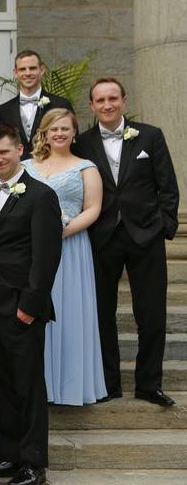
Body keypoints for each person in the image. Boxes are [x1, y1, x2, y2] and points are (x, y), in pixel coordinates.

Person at [73, 78, 180, 406]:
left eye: (112, 98)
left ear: (123, 100)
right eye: (100, 100)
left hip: (146, 235)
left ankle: (150, 384)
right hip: (102, 236)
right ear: (91, 105)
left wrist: (164, 226)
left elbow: (168, 186)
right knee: (101, 313)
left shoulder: (151, 135)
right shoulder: (82, 143)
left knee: (151, 313)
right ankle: (109, 383)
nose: (107, 105)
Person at [0, 123, 62, 485]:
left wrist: (30, 304)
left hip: (21, 306)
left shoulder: (41, 196)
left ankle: (33, 462)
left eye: (3, 152)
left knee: (26, 384)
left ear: (20, 149)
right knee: (1, 382)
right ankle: (9, 453)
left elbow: (46, 257)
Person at [23, 109, 107, 405]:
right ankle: (37, 384)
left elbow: (93, 209)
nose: (59, 134)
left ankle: (70, 385)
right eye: (53, 129)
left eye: (65, 129)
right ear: (43, 132)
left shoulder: (86, 167)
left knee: (68, 313)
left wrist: (58, 233)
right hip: (29, 251)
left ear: (74, 133)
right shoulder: (25, 167)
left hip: (69, 249)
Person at [0, 50, 73, 160]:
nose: (27, 73)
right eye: (22, 69)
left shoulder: (61, 104)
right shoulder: (3, 111)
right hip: (16, 172)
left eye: (32, 68)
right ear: (15, 73)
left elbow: (72, 142)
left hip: (52, 170)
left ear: (42, 70)